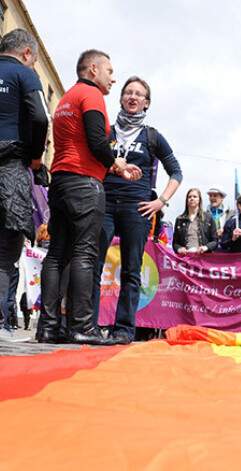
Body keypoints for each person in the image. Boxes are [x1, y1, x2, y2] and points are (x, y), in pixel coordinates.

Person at [39, 50, 141, 345]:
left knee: (57, 255)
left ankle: (48, 327)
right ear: (93, 69)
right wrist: (117, 164)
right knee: (85, 253)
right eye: (110, 71)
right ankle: (82, 326)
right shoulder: (92, 95)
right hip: (84, 182)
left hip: (59, 180)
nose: (114, 77)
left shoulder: (66, 98)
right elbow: (97, 142)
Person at [91, 76, 183, 344]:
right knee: (93, 266)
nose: (132, 97)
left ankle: (123, 330)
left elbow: (176, 172)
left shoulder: (152, 136)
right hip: (104, 204)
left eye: (138, 94)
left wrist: (160, 202)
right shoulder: (106, 132)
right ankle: (90, 326)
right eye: (128, 92)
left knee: (131, 271)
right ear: (121, 98)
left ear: (146, 103)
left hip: (138, 208)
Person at [0, 29, 49, 343]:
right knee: (5, 254)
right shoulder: (25, 75)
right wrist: (35, 156)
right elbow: (42, 118)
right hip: (12, 169)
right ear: (27, 53)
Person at [172, 188, 218, 255]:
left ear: (199, 200)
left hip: (203, 258)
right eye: (189, 197)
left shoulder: (208, 218)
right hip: (185, 259)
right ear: (187, 200)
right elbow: (175, 243)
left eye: (195, 196)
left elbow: (215, 241)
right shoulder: (180, 220)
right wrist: (179, 248)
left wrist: (206, 247)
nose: (192, 198)